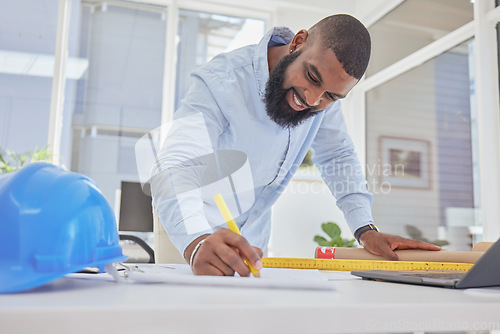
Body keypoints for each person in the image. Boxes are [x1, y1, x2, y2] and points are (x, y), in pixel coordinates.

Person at [150, 14, 440, 276]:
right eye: (311, 77)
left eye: (330, 96)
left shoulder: (325, 96)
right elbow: (177, 159)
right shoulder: (222, 81)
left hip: (251, 238)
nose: (312, 100)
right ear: (297, 43)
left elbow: (338, 154)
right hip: (191, 231)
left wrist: (365, 228)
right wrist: (196, 242)